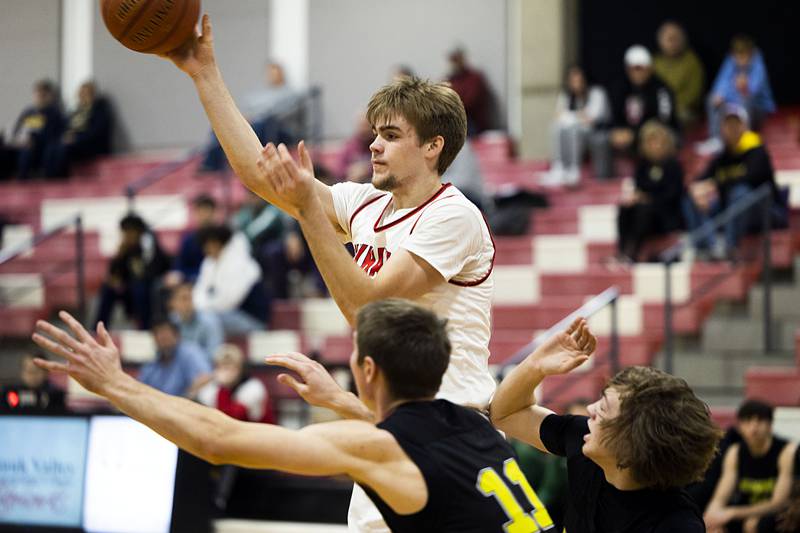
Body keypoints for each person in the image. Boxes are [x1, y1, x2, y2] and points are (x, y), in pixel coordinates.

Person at [164, 17, 496, 532]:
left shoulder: (453, 216)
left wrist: (310, 212)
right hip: (393, 424)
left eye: (390, 135)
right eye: (374, 134)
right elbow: (260, 174)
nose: (373, 145)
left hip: (450, 431)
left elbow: (368, 311)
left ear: (433, 146)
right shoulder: (364, 203)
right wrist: (205, 74)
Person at [32, 299, 557, 533]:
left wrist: (115, 384)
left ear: (366, 368)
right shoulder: (469, 423)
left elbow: (219, 439)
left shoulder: (377, 447)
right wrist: (338, 401)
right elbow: (408, 436)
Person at [490, 320, 722, 532]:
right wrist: (536, 365)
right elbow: (506, 414)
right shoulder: (585, 440)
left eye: (603, 409)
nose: (590, 409)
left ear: (632, 446)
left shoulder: (677, 525)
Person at [683, 105, 787, 261]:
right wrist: (696, 191)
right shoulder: (721, 157)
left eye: (735, 124)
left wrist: (714, 184)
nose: (731, 129)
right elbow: (700, 180)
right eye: (727, 124)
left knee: (741, 192)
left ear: (744, 126)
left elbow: (750, 178)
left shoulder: (757, 151)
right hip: (734, 212)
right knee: (690, 199)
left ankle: (730, 247)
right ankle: (708, 249)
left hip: (767, 211)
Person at [704, 400, 798, 533]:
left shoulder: (787, 451)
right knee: (714, 527)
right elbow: (721, 495)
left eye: (759, 421)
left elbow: (779, 502)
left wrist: (732, 513)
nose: (753, 428)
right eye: (748, 421)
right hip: (746, 510)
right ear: (740, 426)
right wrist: (711, 515)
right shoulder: (735, 452)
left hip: (778, 513)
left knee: (754, 524)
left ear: (770, 425)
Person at [590, 45, 679, 180]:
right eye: (633, 69)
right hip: (626, 133)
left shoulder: (661, 89)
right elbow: (613, 116)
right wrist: (616, 131)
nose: (637, 73)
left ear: (649, 68)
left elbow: (664, 119)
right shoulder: (619, 87)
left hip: (656, 131)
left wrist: (635, 133)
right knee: (600, 138)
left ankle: (652, 180)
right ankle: (604, 181)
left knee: (655, 137)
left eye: (641, 68)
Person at [200, 61, 303, 172]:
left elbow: (282, 113)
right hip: (258, 124)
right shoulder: (263, 93)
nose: (271, 75)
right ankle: (212, 161)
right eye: (269, 72)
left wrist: (258, 116)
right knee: (222, 126)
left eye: (274, 72)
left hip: (278, 129)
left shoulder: (289, 92)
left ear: (281, 74)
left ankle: (231, 156)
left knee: (257, 125)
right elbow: (250, 108)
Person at [615, 120, 685, 262]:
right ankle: (622, 250)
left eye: (658, 142)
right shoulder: (642, 165)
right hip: (644, 212)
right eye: (651, 142)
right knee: (625, 207)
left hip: (666, 216)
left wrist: (649, 198)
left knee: (644, 209)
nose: (655, 146)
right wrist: (635, 197)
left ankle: (633, 252)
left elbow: (673, 195)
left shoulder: (673, 166)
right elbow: (638, 188)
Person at [698, 35, 776, 155]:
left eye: (744, 56)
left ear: (751, 53)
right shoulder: (730, 61)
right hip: (733, 107)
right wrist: (720, 95)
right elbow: (720, 84)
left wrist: (745, 88)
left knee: (745, 99)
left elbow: (754, 91)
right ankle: (716, 139)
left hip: (756, 110)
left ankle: (745, 139)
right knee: (711, 99)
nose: (740, 60)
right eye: (737, 56)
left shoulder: (758, 64)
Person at [94, 214, 171, 330]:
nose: (126, 236)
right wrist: (119, 256)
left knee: (140, 288)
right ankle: (98, 329)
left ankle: (145, 329)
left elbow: (154, 271)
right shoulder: (126, 248)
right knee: (108, 288)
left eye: (129, 232)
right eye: (124, 232)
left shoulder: (150, 245)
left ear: (138, 232)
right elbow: (114, 274)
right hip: (130, 291)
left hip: (149, 290)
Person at [540, 65, 610, 187]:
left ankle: (574, 169)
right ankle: (559, 167)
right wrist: (576, 117)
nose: (576, 84)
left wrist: (572, 117)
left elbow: (591, 119)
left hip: (594, 133)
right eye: (573, 81)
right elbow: (558, 116)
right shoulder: (566, 95)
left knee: (573, 129)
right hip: (571, 131)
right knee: (556, 127)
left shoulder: (596, 93)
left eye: (579, 80)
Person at [193, 224, 269, 335]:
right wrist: (199, 309)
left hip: (252, 319)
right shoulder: (209, 264)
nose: (204, 250)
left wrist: (204, 309)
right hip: (221, 313)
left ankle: (211, 351)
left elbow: (230, 301)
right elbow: (199, 291)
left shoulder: (240, 262)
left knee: (210, 320)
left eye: (206, 245)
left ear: (216, 243)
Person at [42, 80, 113, 178]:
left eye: (86, 93)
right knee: (51, 147)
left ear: (92, 94)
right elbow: (65, 126)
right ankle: (49, 177)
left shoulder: (99, 110)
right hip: (72, 140)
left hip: (89, 144)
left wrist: (76, 138)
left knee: (64, 149)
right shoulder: (76, 111)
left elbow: (96, 132)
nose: (82, 96)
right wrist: (65, 136)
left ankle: (60, 178)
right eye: (81, 93)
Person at [1, 79, 64, 180]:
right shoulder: (28, 111)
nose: (40, 95)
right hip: (22, 141)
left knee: (27, 149)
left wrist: (31, 138)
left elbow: (51, 134)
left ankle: (22, 179)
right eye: (38, 92)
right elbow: (17, 128)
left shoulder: (54, 113)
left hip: (40, 146)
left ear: (50, 96)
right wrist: (15, 139)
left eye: (43, 93)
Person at [195, 344, 273, 423]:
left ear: (240, 368)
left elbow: (234, 419)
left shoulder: (253, 387)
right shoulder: (210, 389)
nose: (227, 372)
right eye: (223, 367)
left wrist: (224, 388)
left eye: (231, 367)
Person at [137, 317, 212, 397]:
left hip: (183, 404)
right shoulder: (151, 363)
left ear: (177, 336)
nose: (162, 339)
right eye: (158, 335)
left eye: (166, 335)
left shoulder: (189, 352)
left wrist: (186, 398)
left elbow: (205, 377)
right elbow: (140, 389)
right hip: (155, 405)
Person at [653, 21, 705, 126]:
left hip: (683, 110)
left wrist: (672, 108)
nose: (672, 43)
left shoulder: (692, 62)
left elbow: (693, 93)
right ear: (660, 41)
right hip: (658, 109)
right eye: (669, 39)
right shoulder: (655, 63)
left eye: (675, 39)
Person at [169, 194, 218, 285]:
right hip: (191, 280)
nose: (204, 215)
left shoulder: (221, 238)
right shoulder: (188, 240)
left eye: (207, 210)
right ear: (196, 213)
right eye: (201, 210)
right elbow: (180, 266)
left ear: (213, 212)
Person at [168, 282, 224, 361]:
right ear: (172, 303)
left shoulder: (210, 321)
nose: (189, 303)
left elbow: (214, 354)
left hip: (202, 368)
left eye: (191, 298)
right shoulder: (171, 321)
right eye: (184, 298)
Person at [446, 48, 492, 136]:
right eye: (452, 61)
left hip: (472, 121)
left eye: (456, 60)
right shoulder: (450, 79)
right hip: (455, 118)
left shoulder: (474, 78)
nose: (454, 64)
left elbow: (470, 102)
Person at [0, 351, 65, 412]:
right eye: (28, 370)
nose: (32, 375)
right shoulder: (9, 392)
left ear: (46, 372)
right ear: (21, 372)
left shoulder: (56, 395)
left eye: (37, 370)